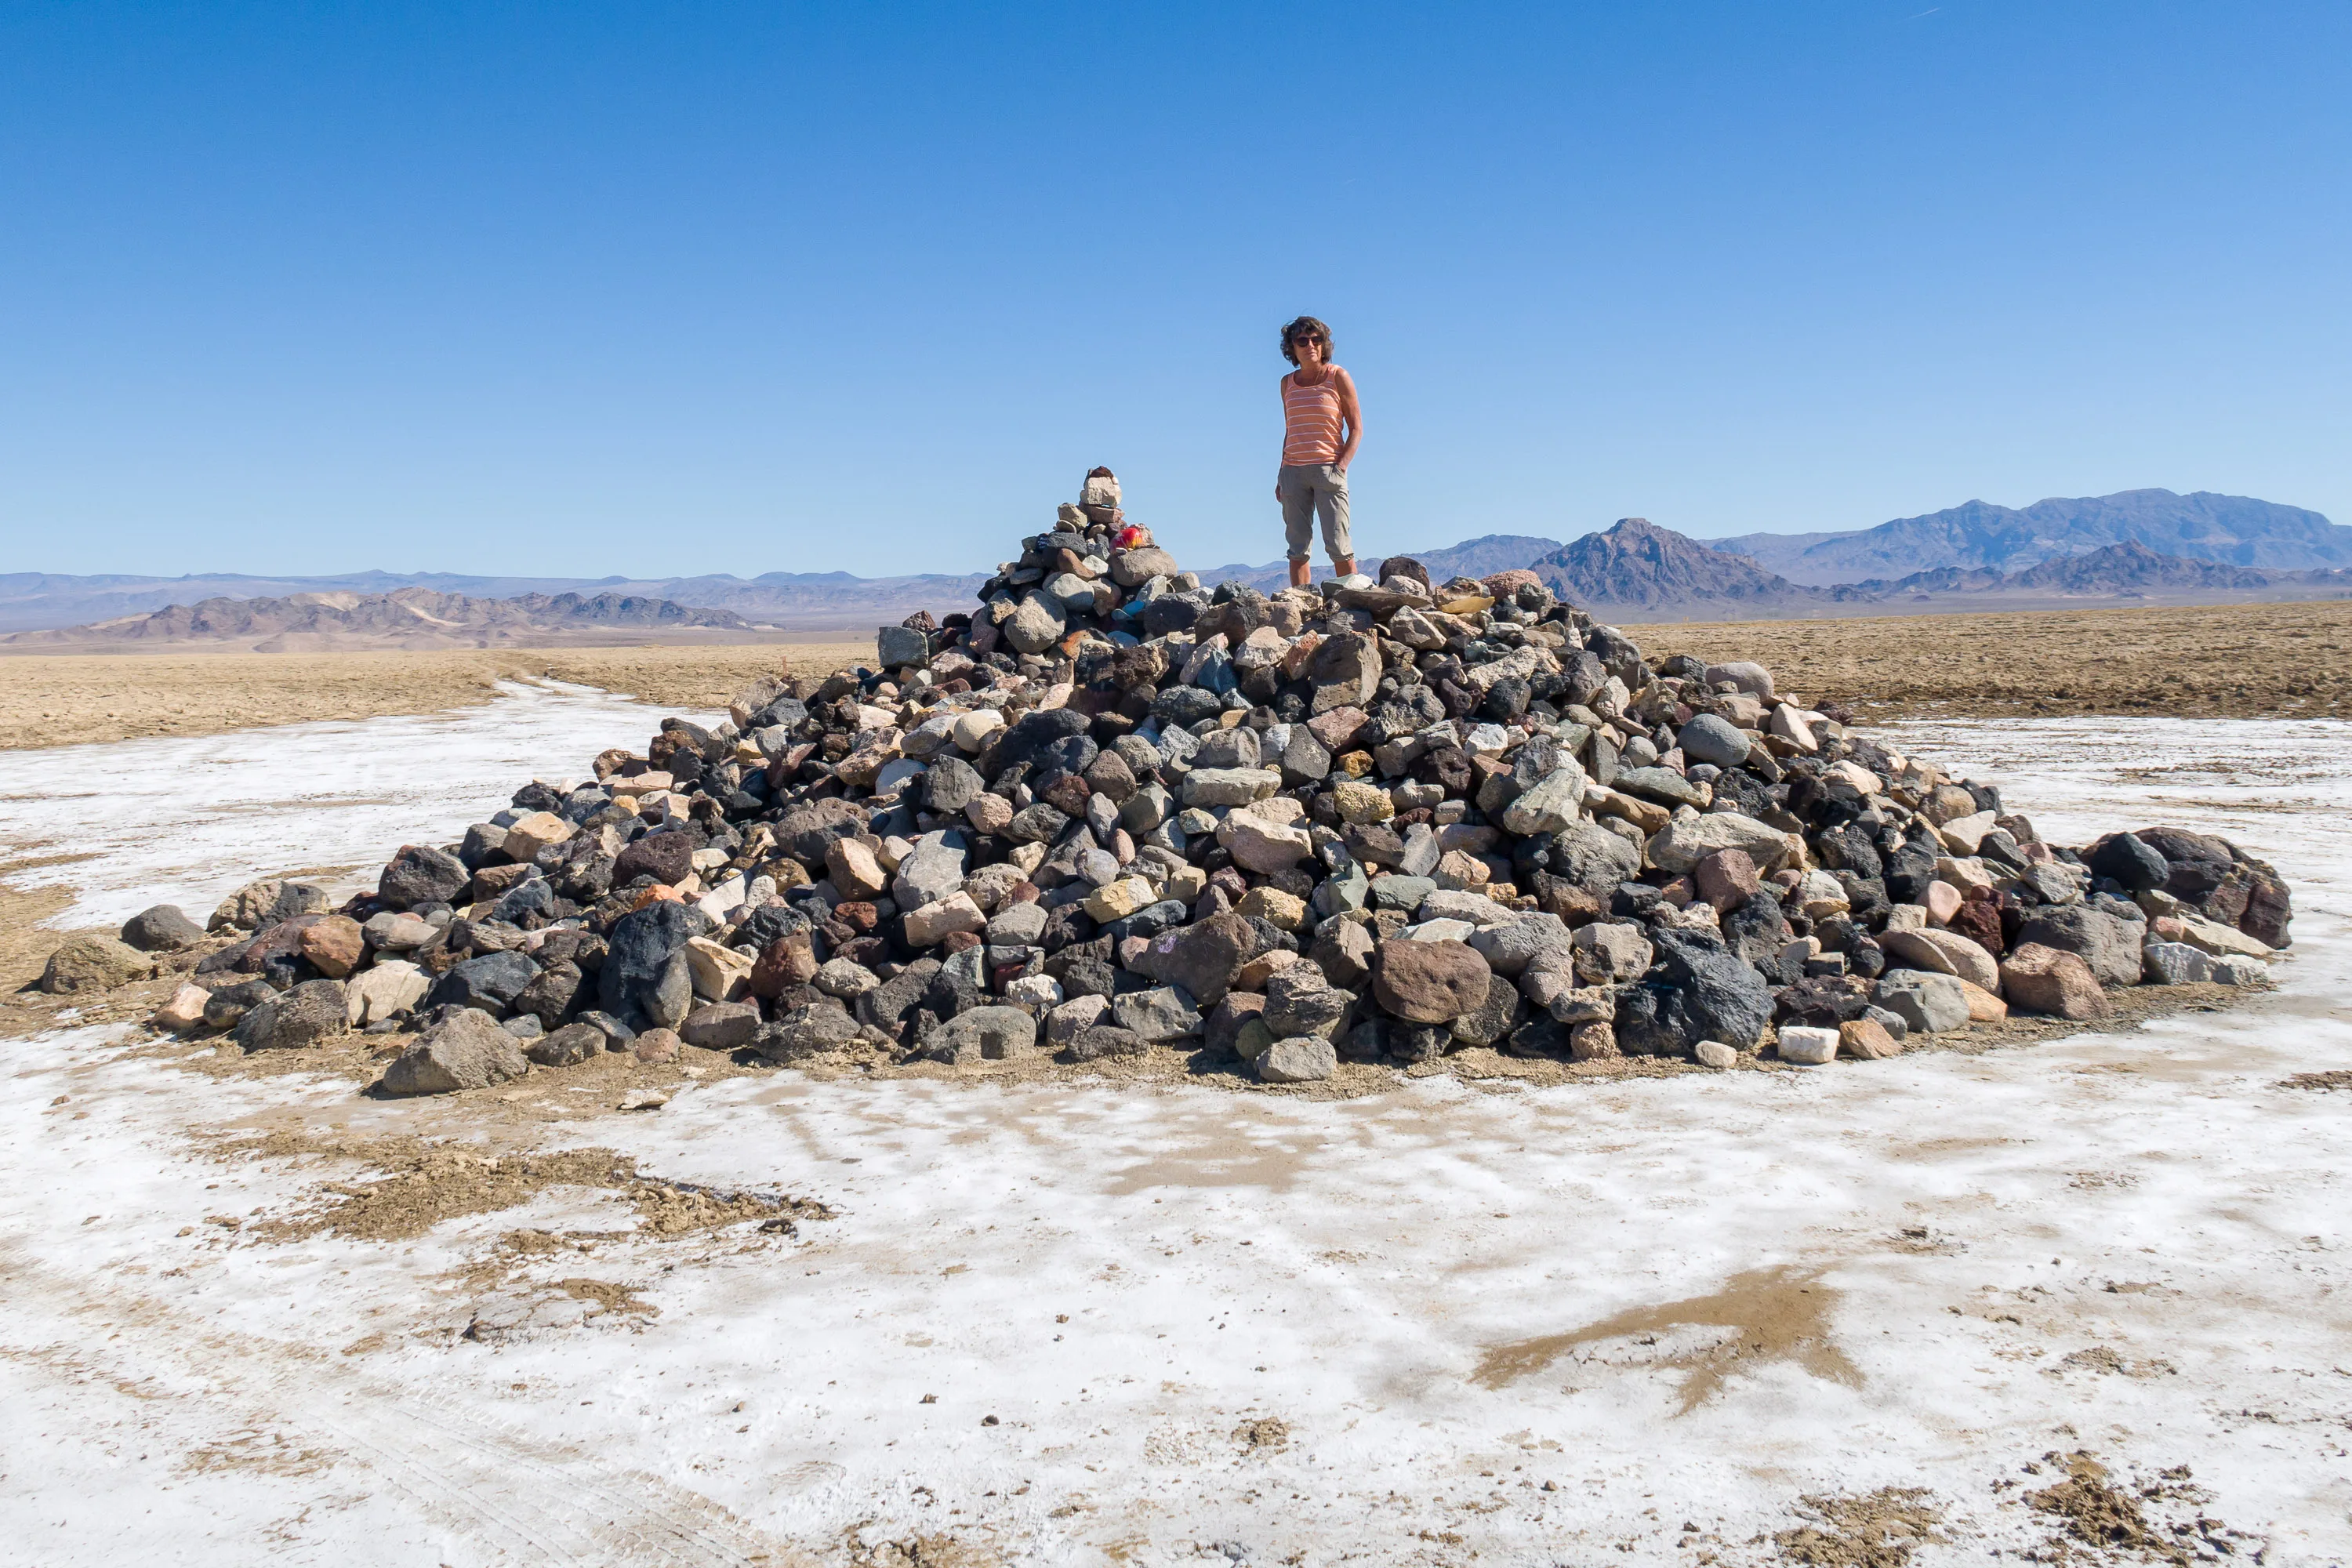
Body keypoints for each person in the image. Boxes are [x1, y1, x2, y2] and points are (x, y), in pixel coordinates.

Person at [1274, 316, 1360, 589]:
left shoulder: (1338, 377)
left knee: (1339, 544)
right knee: (1297, 547)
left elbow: (1356, 428)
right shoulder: (1287, 383)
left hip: (1329, 469)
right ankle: (1299, 605)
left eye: (1316, 339)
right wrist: (1281, 475)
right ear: (1292, 348)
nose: (1310, 345)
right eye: (1302, 340)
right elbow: (1291, 430)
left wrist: (1342, 466)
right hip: (1293, 472)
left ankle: (1353, 606)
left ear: (1324, 345)